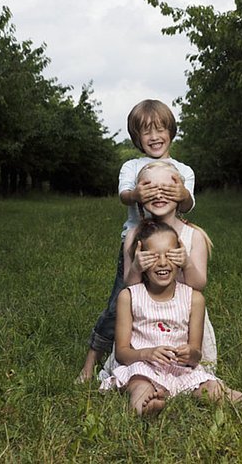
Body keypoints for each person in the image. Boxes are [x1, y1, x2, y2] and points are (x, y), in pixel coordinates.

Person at [99, 220, 242, 416]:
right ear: (140, 259)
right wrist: (146, 353)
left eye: (170, 255)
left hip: (181, 370)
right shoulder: (129, 296)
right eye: (153, 257)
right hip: (142, 367)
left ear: (181, 256)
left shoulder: (194, 298)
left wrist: (190, 353)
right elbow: (121, 353)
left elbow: (196, 352)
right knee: (140, 387)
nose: (162, 262)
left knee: (213, 390)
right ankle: (145, 408)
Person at [79, 100, 196, 382]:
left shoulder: (183, 170)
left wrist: (180, 193)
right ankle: (91, 362)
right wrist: (136, 195)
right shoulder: (132, 166)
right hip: (136, 246)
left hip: (170, 248)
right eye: (146, 132)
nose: (154, 136)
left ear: (171, 131)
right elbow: (124, 196)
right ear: (137, 137)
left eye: (160, 129)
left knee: (174, 301)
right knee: (122, 300)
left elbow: (189, 204)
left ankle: (172, 360)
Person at [99, 160, 217, 378]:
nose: (159, 195)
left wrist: (186, 263)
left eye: (167, 189)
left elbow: (199, 285)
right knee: (142, 373)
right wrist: (136, 267)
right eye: (151, 189)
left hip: (183, 324)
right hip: (144, 325)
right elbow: (130, 289)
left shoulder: (194, 236)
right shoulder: (134, 235)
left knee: (190, 372)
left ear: (181, 192)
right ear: (140, 194)